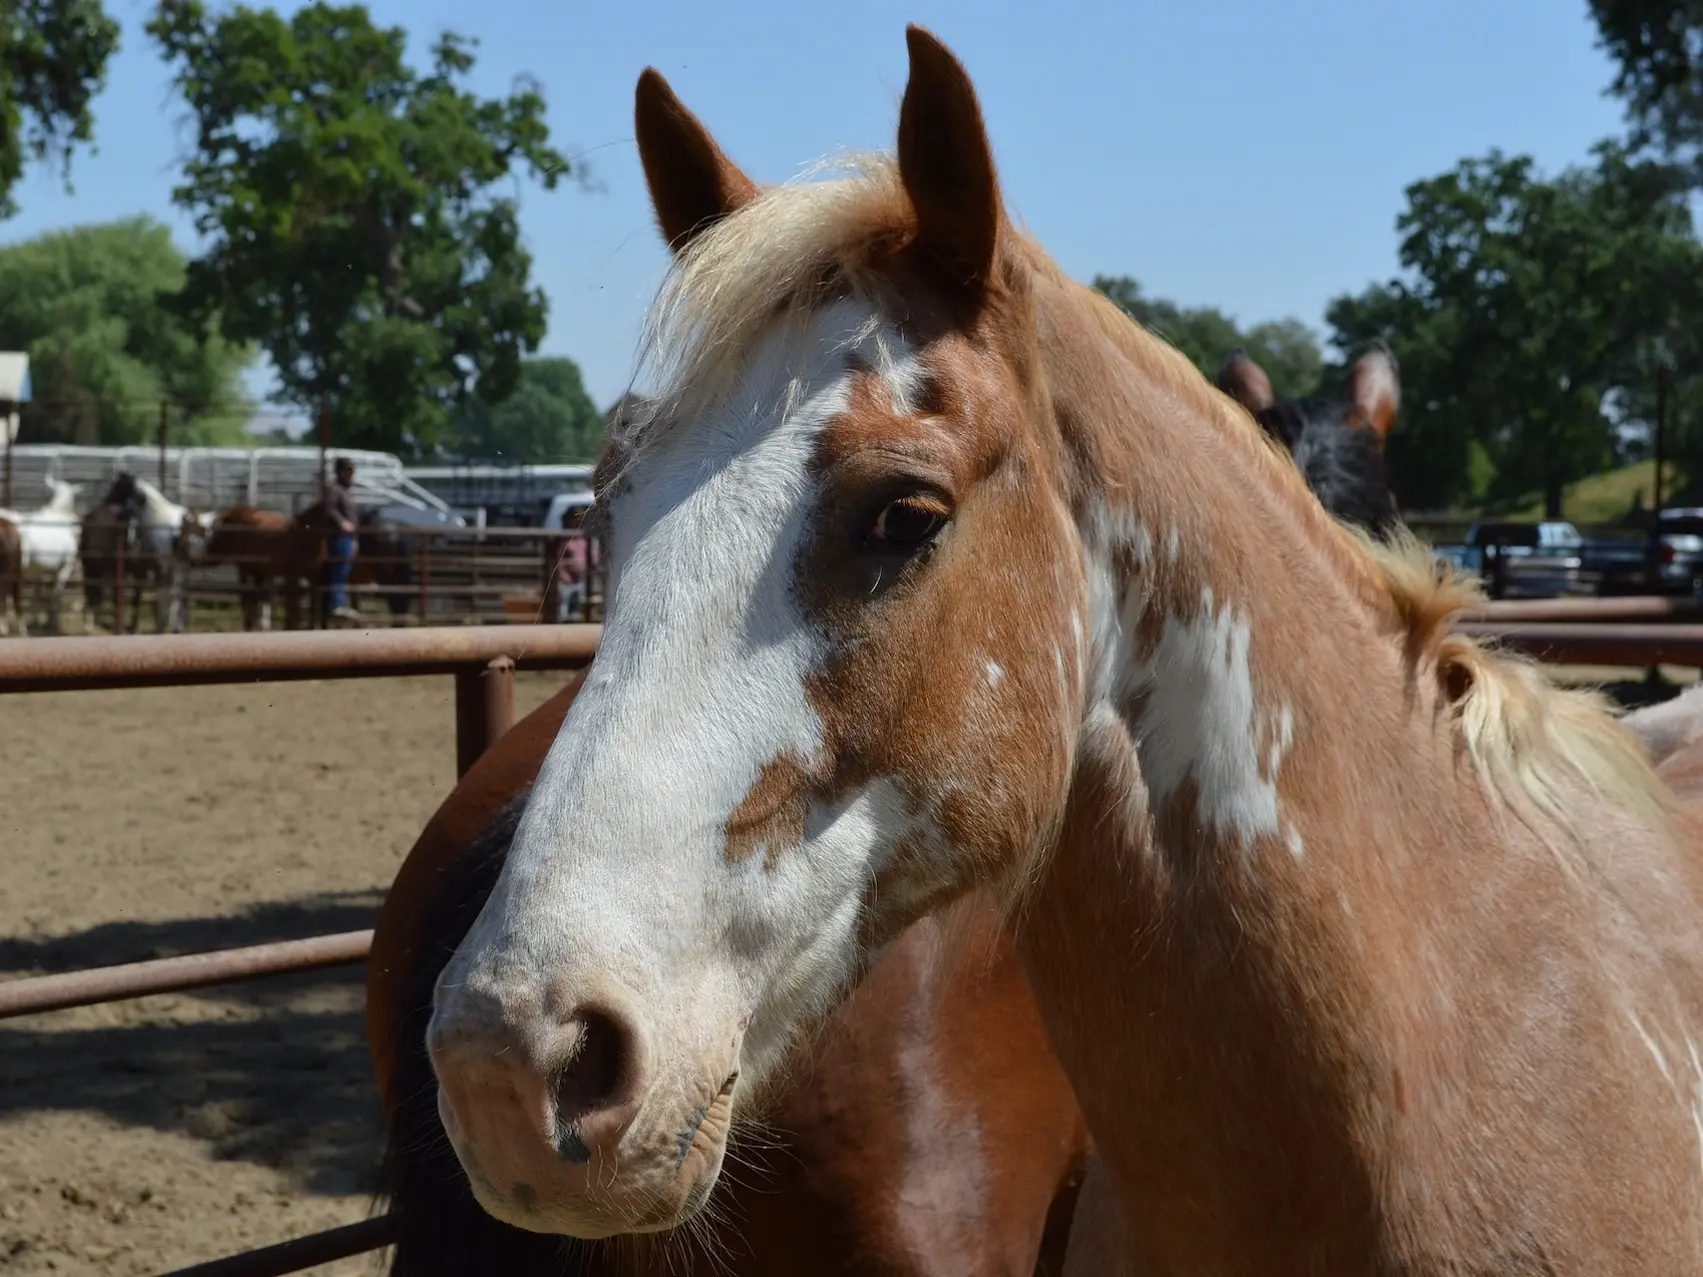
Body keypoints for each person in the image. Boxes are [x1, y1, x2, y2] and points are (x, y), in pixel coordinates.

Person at [324, 457, 360, 623]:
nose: (352, 474)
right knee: (340, 569)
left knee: (344, 569)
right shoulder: (336, 489)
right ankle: (337, 604)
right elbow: (329, 509)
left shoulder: (343, 490)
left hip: (347, 537)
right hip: (339, 536)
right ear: (342, 471)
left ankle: (340, 603)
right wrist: (342, 523)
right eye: (349, 470)